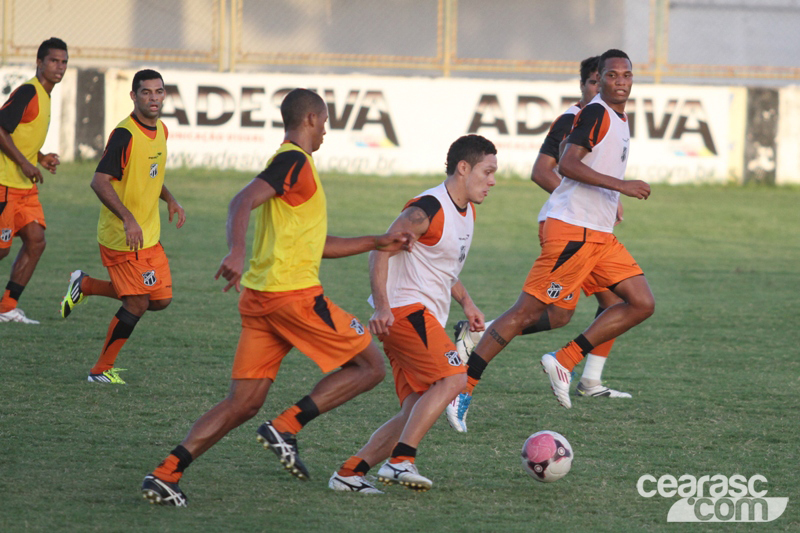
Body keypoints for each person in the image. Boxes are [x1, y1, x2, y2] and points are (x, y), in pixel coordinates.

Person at [141, 88, 413, 507]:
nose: (325, 131)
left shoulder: (293, 167)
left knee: (243, 402)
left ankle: (166, 473)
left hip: (262, 301)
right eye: (324, 123)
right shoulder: (294, 162)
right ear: (310, 120)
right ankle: (287, 426)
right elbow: (242, 200)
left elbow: (316, 243)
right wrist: (235, 249)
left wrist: (378, 241)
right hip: (293, 297)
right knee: (370, 365)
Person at [448, 49, 653, 419]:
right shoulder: (593, 112)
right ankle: (462, 389)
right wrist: (620, 187)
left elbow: (577, 159)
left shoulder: (620, 119)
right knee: (526, 313)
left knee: (639, 302)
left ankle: (566, 360)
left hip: (599, 233)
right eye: (611, 76)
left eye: (626, 75)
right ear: (598, 79)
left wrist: (610, 197)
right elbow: (567, 164)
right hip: (574, 231)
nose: (620, 82)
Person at [329, 135, 496, 494]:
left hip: (418, 316)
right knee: (454, 379)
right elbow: (380, 250)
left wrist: (466, 302)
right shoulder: (426, 210)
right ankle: (401, 461)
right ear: (463, 168)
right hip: (405, 313)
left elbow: (441, 266)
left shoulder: (465, 211)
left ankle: (350, 472)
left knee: (414, 410)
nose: (493, 180)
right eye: (488, 171)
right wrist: (384, 305)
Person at [59, 69, 185, 384]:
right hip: (122, 238)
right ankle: (99, 370)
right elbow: (99, 182)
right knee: (139, 301)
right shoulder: (124, 135)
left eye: (158, 92)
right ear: (133, 96)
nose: (154, 98)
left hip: (149, 235)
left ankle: (86, 285)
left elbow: (150, 174)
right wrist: (128, 218)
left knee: (160, 299)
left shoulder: (162, 131)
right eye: (146, 92)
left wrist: (169, 199)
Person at [0, 37, 68, 324]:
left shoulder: (45, 94)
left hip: (24, 188)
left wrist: (39, 158)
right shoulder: (29, 91)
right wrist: (26, 162)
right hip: (4, 184)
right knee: (1, 251)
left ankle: (6, 307)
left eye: (64, 62)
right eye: (53, 61)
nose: (59, 67)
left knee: (36, 241)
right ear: (39, 62)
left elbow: (18, 134)